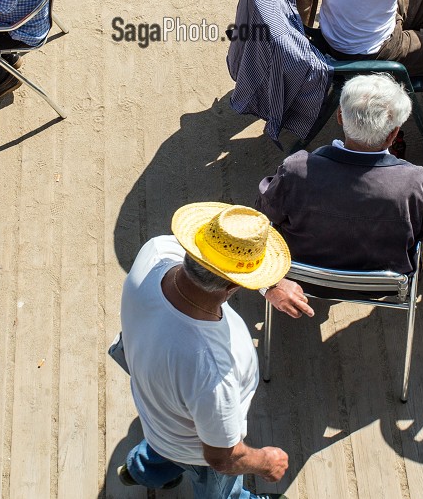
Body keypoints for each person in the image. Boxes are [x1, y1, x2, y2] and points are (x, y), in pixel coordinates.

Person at [118, 203, 312, 497]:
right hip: (199, 450)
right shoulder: (211, 371)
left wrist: (268, 285)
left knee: (161, 446)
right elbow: (223, 458)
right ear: (235, 285)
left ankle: (139, 470)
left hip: (156, 408)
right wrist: (265, 462)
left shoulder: (156, 252)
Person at [257, 74, 423, 274]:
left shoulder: (295, 170)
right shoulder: (416, 184)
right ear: (393, 135)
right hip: (380, 286)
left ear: (339, 117)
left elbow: (265, 210)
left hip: (304, 277)